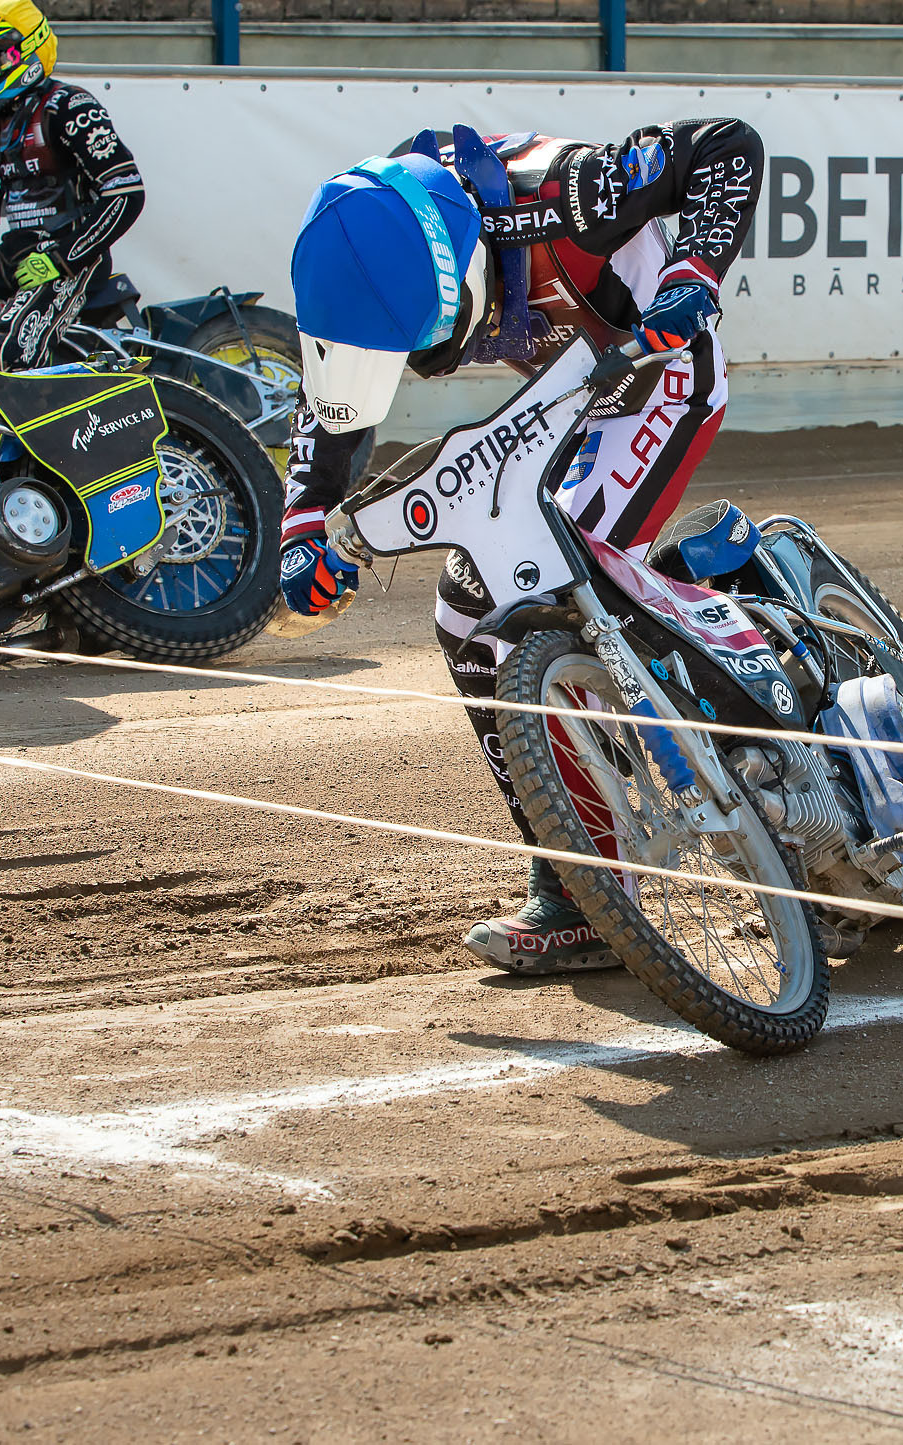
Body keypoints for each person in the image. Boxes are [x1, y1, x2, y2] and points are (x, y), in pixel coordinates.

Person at [279, 119, 764, 975]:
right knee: (472, 610)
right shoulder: (370, 234)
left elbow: (729, 145)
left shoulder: (568, 191)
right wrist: (304, 525)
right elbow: (336, 402)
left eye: (426, 338)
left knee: (517, 599)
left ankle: (599, 877)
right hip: (562, 410)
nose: (423, 360)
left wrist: (693, 272)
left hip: (662, 379)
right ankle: (586, 879)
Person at [0, 0, 145, 369]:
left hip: (74, 259)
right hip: (15, 256)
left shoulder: (69, 106)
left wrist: (63, 257)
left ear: (22, 55)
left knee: (5, 354)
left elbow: (126, 194)